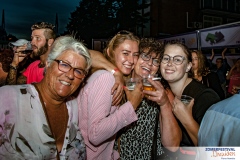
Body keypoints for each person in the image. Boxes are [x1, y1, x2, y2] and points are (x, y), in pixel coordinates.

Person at [0, 35, 91, 159]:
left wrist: (115, 71)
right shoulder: (8, 98)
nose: (70, 75)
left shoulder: (74, 107)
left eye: (78, 71)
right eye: (64, 64)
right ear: (48, 63)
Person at [77, 30, 143, 159]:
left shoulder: (107, 75)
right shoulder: (106, 78)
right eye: (125, 53)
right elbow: (95, 135)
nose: (131, 60)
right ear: (110, 52)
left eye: (135, 55)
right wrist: (132, 105)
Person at [114, 38, 181, 160]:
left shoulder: (163, 93)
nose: (150, 63)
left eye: (156, 61)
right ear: (135, 58)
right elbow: (91, 56)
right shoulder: (119, 84)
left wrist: (164, 103)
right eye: (145, 56)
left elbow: (173, 146)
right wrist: (116, 73)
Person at [160, 42, 220, 159]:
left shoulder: (204, 96)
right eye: (166, 58)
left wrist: (186, 119)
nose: (169, 63)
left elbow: (217, 151)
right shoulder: (164, 92)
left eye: (177, 60)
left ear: (188, 66)